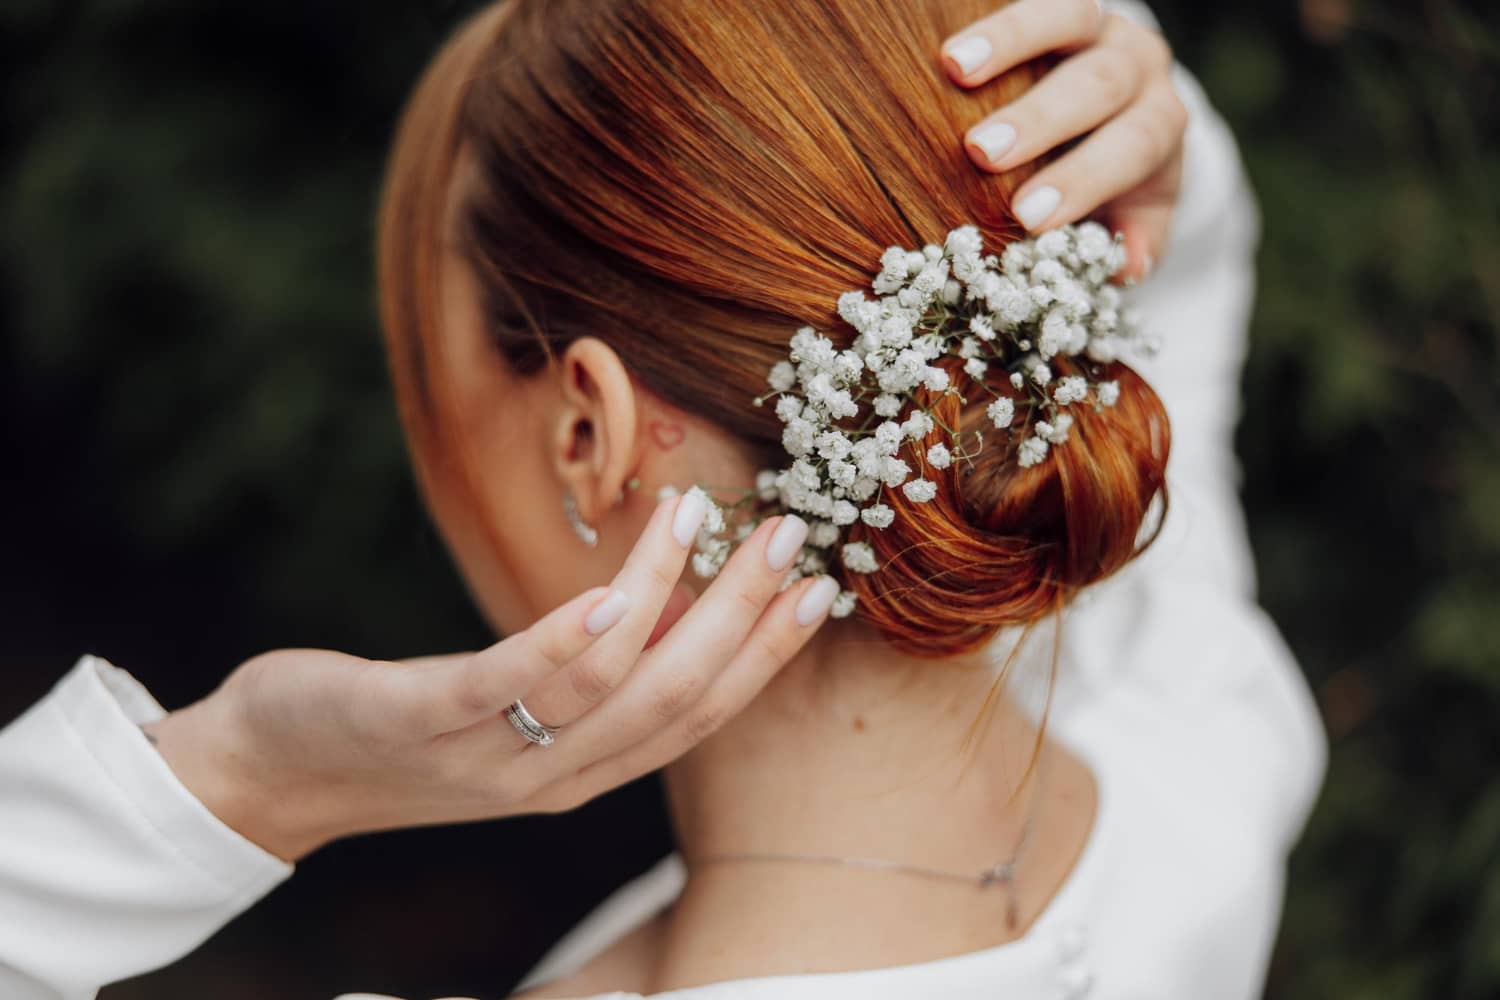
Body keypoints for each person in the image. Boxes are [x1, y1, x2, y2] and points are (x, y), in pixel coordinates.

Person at [0, 3, 1317, 1000]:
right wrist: (1120, 115)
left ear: (590, 433)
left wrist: (243, 774)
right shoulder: (1202, 741)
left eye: (430, 378)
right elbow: (1184, 305)